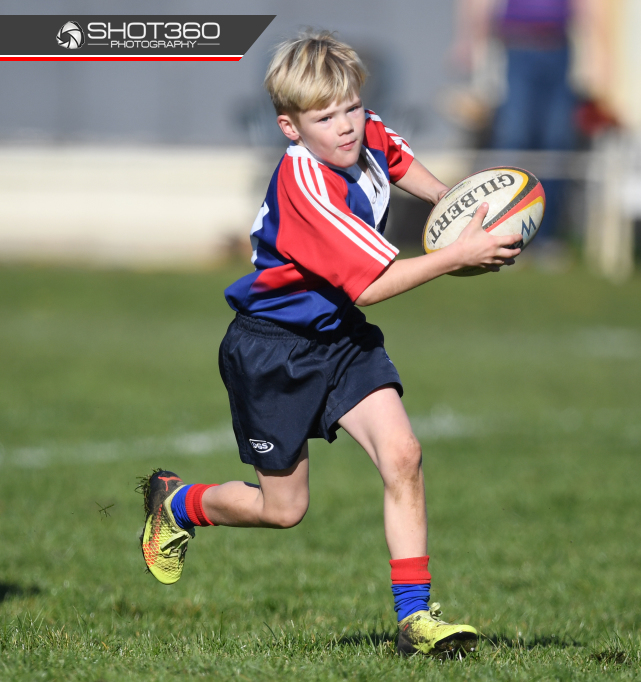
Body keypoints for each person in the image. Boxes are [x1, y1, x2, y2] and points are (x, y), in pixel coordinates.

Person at [137, 31, 521, 657]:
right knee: (283, 509)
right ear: (290, 128)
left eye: (352, 108)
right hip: (273, 351)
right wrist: (458, 254)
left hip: (340, 337)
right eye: (324, 118)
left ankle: (415, 621)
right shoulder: (306, 187)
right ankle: (178, 505)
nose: (345, 126)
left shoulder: (360, 132)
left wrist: (454, 204)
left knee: (403, 455)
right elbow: (372, 285)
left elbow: (395, 156)